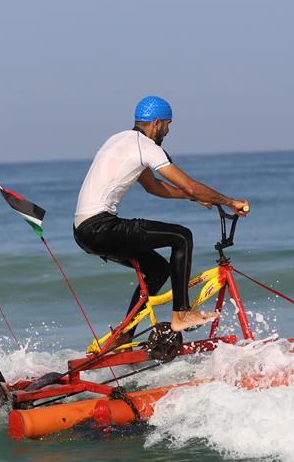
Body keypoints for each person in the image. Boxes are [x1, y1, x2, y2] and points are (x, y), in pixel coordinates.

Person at [73, 95, 249, 333]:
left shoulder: (120, 140)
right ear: (157, 123)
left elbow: (153, 186)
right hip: (100, 227)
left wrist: (193, 197)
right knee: (182, 237)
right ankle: (181, 314)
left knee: (158, 271)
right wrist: (230, 202)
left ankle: (125, 336)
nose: (167, 131)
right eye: (167, 125)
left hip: (84, 231)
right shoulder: (146, 146)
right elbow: (190, 185)